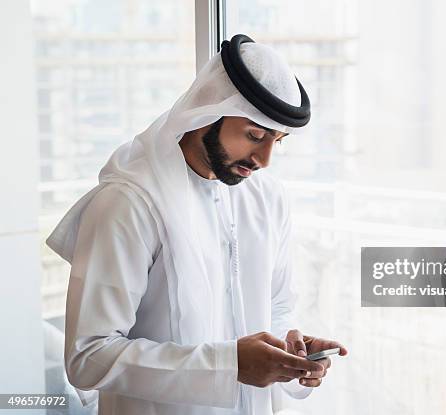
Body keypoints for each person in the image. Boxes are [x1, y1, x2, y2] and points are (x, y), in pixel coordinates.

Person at [46, 34, 348, 415]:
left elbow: (277, 306)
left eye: (277, 140)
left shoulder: (267, 198)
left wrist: (292, 350)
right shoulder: (130, 203)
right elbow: (88, 355)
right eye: (254, 135)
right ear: (207, 111)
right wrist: (230, 365)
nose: (265, 158)